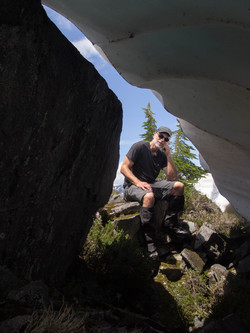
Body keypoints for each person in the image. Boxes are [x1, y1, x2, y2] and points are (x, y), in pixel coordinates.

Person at [120, 126, 188, 259]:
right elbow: (124, 168)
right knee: (149, 196)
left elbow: (173, 178)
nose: (162, 140)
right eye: (161, 136)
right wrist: (137, 182)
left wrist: (168, 156)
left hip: (150, 184)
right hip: (131, 186)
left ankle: (170, 223)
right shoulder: (139, 147)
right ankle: (150, 243)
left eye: (166, 139)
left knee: (179, 186)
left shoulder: (162, 155)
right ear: (154, 134)